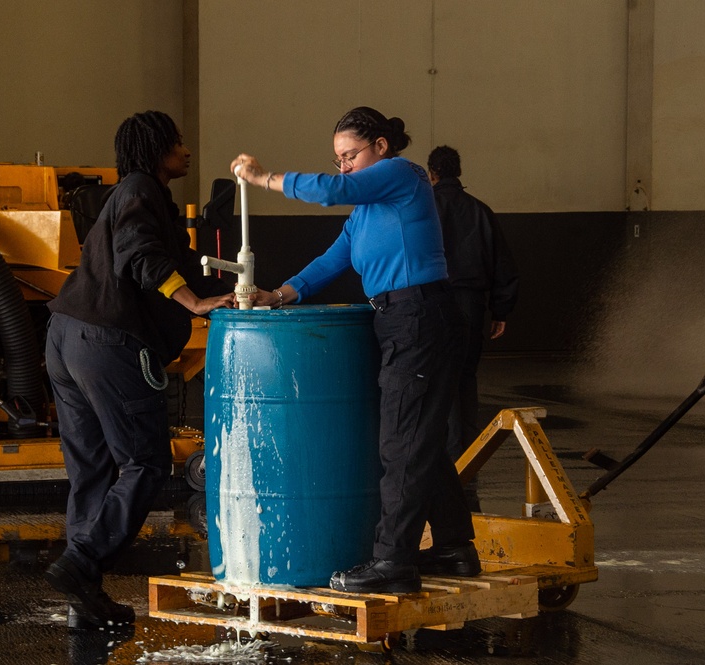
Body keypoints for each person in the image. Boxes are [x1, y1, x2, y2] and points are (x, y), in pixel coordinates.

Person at [230, 106, 480, 594]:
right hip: (398, 320)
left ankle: (393, 562)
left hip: (419, 317)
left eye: (350, 156)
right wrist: (278, 295)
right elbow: (333, 259)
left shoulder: (402, 176)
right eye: (337, 159)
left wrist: (263, 178)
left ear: (381, 147)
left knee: (401, 445)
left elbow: (332, 191)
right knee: (417, 440)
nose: (343, 167)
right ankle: (454, 548)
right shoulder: (367, 212)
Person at [44, 111, 235, 627]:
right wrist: (194, 301)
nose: (187, 151)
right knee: (145, 464)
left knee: (92, 471)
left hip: (67, 337)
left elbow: (167, 252)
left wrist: (222, 280)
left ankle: (82, 597)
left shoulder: (137, 195)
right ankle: (82, 563)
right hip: (107, 342)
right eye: (177, 143)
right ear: (156, 150)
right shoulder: (139, 190)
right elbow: (140, 257)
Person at [427, 145, 519, 511]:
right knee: (466, 378)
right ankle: (465, 456)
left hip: (432, 300)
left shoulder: (424, 208)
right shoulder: (480, 211)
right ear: (457, 171)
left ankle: (440, 456)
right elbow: (503, 264)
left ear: (432, 172)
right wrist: (500, 310)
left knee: (436, 378)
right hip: (471, 305)